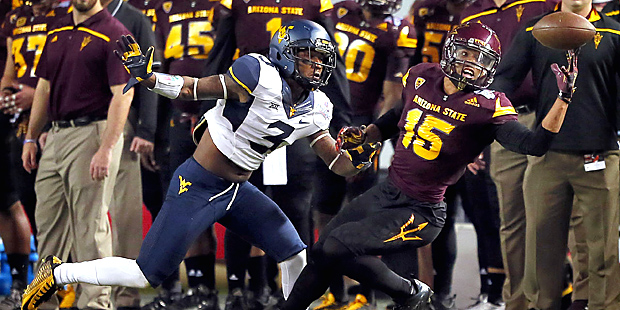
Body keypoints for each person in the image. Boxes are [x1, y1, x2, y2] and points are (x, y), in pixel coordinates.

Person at [20, 19, 379, 310]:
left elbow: (336, 162)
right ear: (285, 53)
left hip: (237, 190)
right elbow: (194, 88)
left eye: (320, 58)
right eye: (307, 56)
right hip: (199, 183)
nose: (316, 65)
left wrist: (359, 159)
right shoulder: (257, 73)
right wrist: (151, 79)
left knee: (294, 253)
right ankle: (60, 272)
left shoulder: (318, 107)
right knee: (146, 274)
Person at [278, 21, 577, 310]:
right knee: (321, 250)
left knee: (338, 246)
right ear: (449, 52)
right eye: (466, 54)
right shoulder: (422, 77)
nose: (472, 64)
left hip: (422, 210)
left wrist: (563, 99)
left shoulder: (489, 107)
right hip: (388, 192)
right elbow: (397, 115)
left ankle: (411, 292)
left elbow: (534, 145)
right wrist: (370, 134)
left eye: (481, 59)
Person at [201, 1, 352, 308]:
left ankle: (297, 291)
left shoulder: (314, 4)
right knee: (238, 204)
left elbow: (330, 66)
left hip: (295, 114)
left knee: (295, 208)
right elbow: (221, 54)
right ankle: (237, 288)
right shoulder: (238, 3)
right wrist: (205, 109)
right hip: (250, 116)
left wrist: (344, 123)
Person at [491, 0, 620, 308]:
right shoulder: (536, 28)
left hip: (600, 155)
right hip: (547, 155)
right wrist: (486, 116)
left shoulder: (613, 32)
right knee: (541, 253)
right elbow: (504, 80)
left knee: (603, 252)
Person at [20, 0, 134, 307]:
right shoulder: (56, 29)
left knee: (91, 228)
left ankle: (96, 303)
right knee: (48, 227)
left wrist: (107, 148)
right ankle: (43, 303)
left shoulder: (116, 34)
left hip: (92, 134)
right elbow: (43, 88)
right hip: (55, 136)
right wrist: (30, 138)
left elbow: (123, 94)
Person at [311, 0, 415, 309]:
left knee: (361, 219)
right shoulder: (340, 11)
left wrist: (372, 140)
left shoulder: (398, 32)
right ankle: (334, 291)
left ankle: (363, 294)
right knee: (325, 210)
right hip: (326, 121)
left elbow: (393, 94)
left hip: (360, 128)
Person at [459, 0, 555, 308]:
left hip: (547, 117)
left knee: (551, 213)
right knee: (508, 216)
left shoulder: (545, 3)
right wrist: (470, 132)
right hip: (498, 119)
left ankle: (552, 298)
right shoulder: (472, 10)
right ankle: (513, 300)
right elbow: (461, 75)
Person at [0, 0, 64, 308]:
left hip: (56, 116)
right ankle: (39, 284)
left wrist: (35, 97)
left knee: (57, 209)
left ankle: (66, 283)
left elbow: (68, 70)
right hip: (20, 125)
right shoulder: (16, 17)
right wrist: (6, 93)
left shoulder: (66, 15)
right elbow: (10, 71)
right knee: (26, 198)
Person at [100, 0, 158, 308]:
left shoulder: (133, 19)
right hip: (79, 122)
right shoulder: (69, 19)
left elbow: (149, 76)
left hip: (124, 121)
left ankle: (126, 295)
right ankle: (86, 289)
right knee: (85, 213)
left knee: (125, 214)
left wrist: (146, 130)